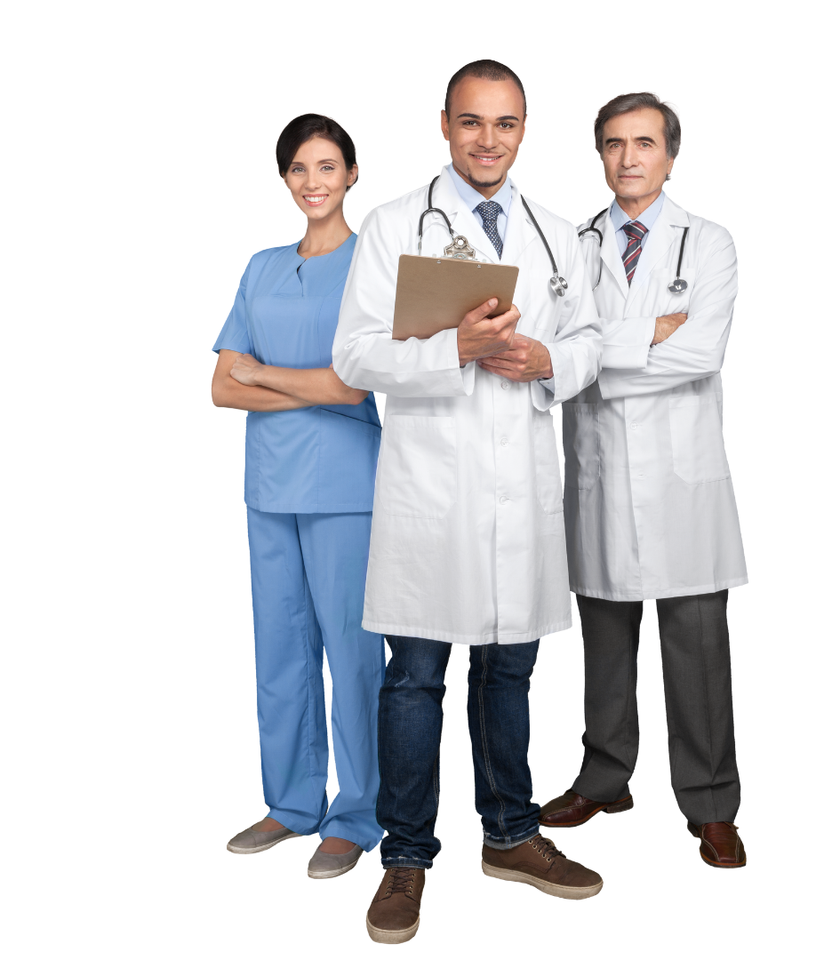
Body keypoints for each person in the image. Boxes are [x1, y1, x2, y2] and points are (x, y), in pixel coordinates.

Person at [332, 60, 604, 944]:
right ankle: (406, 857)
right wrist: (453, 348)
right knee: (415, 679)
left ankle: (511, 835)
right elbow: (354, 356)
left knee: (508, 672)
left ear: (524, 129)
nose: (489, 140)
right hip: (431, 491)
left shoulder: (557, 234)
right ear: (445, 124)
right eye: (473, 122)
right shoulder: (393, 225)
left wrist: (551, 361)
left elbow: (590, 339)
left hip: (519, 490)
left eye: (506, 123)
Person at [538, 93, 749, 869]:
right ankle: (605, 779)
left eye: (645, 143)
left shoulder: (710, 243)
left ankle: (711, 804)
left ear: (670, 155)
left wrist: (601, 350)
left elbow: (701, 355)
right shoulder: (574, 247)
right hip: (599, 474)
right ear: (600, 154)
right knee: (605, 643)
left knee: (697, 649)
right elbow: (557, 357)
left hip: (683, 483)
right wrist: (642, 338)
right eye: (614, 144)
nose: (629, 158)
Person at [212, 114, 385, 880]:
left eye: (327, 166)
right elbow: (222, 386)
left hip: (347, 487)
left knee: (353, 655)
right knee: (280, 652)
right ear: (285, 178)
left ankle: (358, 813)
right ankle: (290, 803)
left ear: (352, 173)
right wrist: (304, 384)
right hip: (270, 486)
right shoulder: (261, 268)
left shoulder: (372, 266)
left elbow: (355, 385)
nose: (313, 182)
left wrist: (265, 374)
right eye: (299, 169)